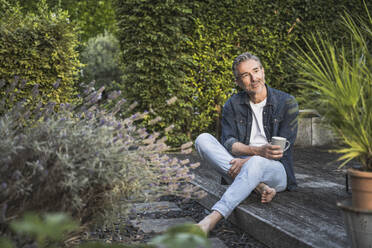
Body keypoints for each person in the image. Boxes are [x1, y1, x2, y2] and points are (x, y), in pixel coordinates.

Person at [194, 52, 299, 234]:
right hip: (240, 163)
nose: (253, 78)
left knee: (257, 162)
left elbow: (279, 152)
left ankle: (212, 218)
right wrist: (255, 152)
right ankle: (259, 187)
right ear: (238, 82)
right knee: (202, 139)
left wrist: (249, 159)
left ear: (263, 71)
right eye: (245, 75)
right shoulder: (232, 104)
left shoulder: (287, 102)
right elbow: (228, 143)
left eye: (256, 71)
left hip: (277, 170)